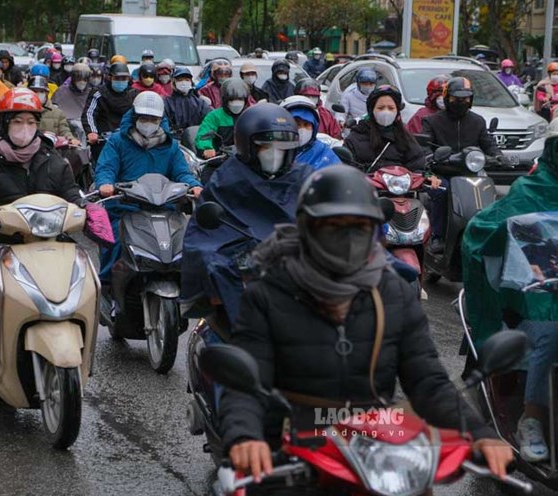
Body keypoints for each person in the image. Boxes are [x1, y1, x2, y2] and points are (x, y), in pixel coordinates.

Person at [220, 164, 514, 483]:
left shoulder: (394, 293)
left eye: (359, 227)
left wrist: (480, 433)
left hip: (375, 452)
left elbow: (428, 381)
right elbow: (245, 382)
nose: (347, 238)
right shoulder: (267, 294)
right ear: (308, 228)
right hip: (284, 455)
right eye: (334, 226)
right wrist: (245, 437)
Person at [0, 87, 111, 368]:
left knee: (84, 277)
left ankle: (82, 343)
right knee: (0, 284)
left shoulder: (53, 160)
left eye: (30, 122)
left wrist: (88, 211)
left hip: (52, 241)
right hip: (0, 242)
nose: (24, 129)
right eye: (18, 122)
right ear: (5, 124)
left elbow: (72, 195)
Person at [462, 120, 558, 463]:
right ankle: (531, 418)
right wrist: (509, 233)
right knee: (550, 333)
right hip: (535, 299)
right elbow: (480, 229)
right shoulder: (530, 190)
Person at [180, 103, 310, 328]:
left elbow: (326, 214)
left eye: (282, 147)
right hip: (245, 262)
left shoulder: (304, 176)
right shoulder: (228, 178)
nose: (274, 153)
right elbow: (206, 231)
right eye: (266, 147)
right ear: (247, 145)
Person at [95, 91, 202, 288]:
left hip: (164, 209)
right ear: (135, 116)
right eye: (144, 118)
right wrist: (105, 184)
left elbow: (182, 173)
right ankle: (108, 288)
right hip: (126, 207)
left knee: (188, 243)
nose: (148, 122)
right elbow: (107, 168)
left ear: (161, 119)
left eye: (153, 119)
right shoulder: (118, 141)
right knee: (116, 241)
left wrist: (194, 186)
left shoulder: (171, 146)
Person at [422, 77, 505, 253]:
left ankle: (487, 233)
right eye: (456, 98)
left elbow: (489, 143)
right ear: (446, 98)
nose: (461, 102)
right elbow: (424, 149)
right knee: (441, 191)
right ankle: (437, 236)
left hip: (471, 174)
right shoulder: (432, 122)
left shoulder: (478, 121)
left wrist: (498, 156)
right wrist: (432, 157)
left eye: (466, 98)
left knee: (491, 193)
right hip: (441, 173)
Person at [343, 85, 425, 174]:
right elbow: (347, 169)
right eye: (380, 108)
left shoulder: (405, 137)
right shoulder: (355, 137)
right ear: (371, 110)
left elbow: (418, 167)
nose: (386, 112)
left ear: (397, 111)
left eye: (391, 108)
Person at [82, 62, 136, 159]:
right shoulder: (98, 93)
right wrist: (92, 132)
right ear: (110, 78)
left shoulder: (133, 94)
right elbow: (89, 113)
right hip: (103, 140)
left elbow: (139, 116)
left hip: (128, 139)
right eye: (117, 78)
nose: (121, 81)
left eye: (124, 79)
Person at [196, 79, 251, 160]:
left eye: (240, 99)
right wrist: (207, 148)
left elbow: (261, 133)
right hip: (221, 159)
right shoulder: (214, 116)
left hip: (247, 158)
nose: (236, 103)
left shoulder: (250, 114)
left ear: (245, 100)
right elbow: (204, 135)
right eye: (232, 99)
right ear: (225, 100)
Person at [281, 96, 341, 170]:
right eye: (297, 124)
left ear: (314, 127)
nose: (302, 130)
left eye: (306, 125)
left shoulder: (323, 153)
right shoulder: (274, 148)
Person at [28, 74, 76, 143]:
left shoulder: (57, 113)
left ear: (46, 93)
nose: (37, 94)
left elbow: (64, 130)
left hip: (51, 150)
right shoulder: (21, 112)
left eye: (41, 91)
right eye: (34, 91)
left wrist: (71, 139)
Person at [164, 66, 212, 131]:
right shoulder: (167, 103)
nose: (183, 82)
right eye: (180, 80)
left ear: (191, 82)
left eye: (187, 80)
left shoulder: (200, 103)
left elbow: (209, 122)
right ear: (173, 83)